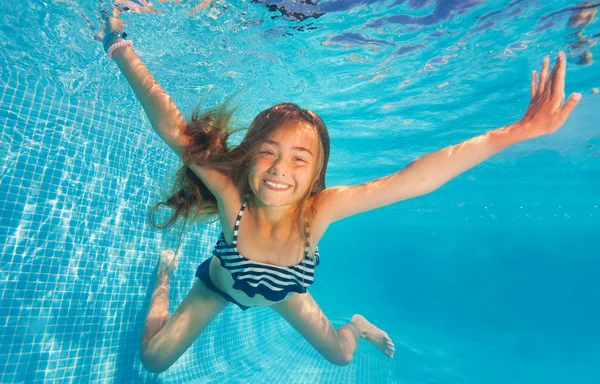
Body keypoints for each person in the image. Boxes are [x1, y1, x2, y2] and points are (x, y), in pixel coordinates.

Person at [102, 8, 581, 374]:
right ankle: (164, 274)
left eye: (299, 159)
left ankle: (357, 323)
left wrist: (514, 132)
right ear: (248, 157)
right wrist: (120, 44)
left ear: (316, 176)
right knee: (153, 360)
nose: (279, 170)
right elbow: (176, 130)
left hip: (285, 294)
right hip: (218, 288)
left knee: (342, 357)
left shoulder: (321, 211)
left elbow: (415, 178)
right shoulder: (233, 197)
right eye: (267, 152)